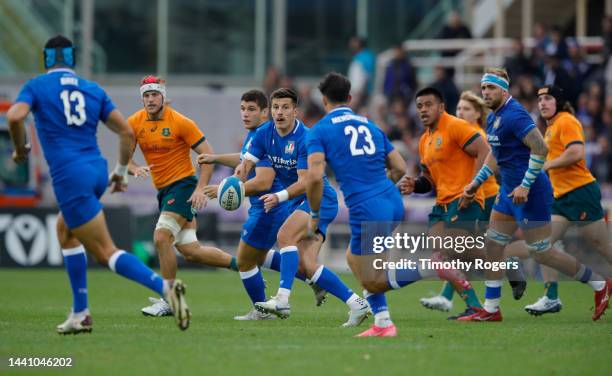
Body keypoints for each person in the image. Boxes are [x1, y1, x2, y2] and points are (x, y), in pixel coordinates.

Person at [6, 35, 190, 333]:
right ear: (73, 59)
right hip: (96, 171)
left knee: (106, 251)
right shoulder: (92, 89)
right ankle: (81, 313)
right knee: (65, 231)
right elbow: (126, 133)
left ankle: (166, 289)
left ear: (47, 59)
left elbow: (15, 116)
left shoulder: (37, 86)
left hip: (70, 175)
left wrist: (19, 148)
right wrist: (119, 171)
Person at [460, 68, 611, 322]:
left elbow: (540, 149)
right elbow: (496, 153)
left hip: (530, 192)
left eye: (491, 88)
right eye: (483, 88)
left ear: (504, 90)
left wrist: (526, 185)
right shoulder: (493, 117)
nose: (485, 92)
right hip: (509, 190)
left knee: (541, 251)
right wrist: (476, 183)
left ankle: (599, 284)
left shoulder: (516, 114)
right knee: (494, 244)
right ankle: (492, 308)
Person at [235, 88, 370, 326]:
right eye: (276, 107)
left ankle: (283, 300)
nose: (280, 112)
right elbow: (247, 163)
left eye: (286, 107)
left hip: (320, 198)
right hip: (298, 200)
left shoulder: (306, 138)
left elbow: (307, 181)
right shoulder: (264, 133)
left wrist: (278, 196)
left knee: (285, 235)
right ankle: (356, 303)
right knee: (305, 264)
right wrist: (237, 179)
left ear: (295, 111)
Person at [198, 89, 326, 320]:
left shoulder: (269, 134)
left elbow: (264, 180)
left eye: (252, 109)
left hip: (270, 205)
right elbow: (244, 161)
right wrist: (220, 163)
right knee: (259, 257)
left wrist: (228, 189)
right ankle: (310, 278)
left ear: (264, 113)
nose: (245, 114)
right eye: (242, 109)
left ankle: (264, 308)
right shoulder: (258, 136)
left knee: (246, 260)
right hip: (268, 204)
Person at [126, 76, 237, 317]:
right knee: (191, 251)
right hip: (164, 191)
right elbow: (124, 157)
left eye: (155, 94)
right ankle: (245, 266)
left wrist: (200, 188)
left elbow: (208, 155)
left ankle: (169, 298)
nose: (150, 99)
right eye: (146, 95)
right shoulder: (134, 122)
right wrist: (135, 168)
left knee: (161, 237)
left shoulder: (180, 122)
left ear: (163, 96)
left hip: (183, 186)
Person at [518, 85, 612, 315]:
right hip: (561, 197)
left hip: (580, 192)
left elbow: (577, 153)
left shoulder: (566, 120)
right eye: (540, 99)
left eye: (548, 99)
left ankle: (600, 285)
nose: (542, 103)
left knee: (602, 245)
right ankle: (551, 297)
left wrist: (547, 165)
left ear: (558, 102)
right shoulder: (550, 128)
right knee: (541, 246)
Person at [400, 87, 491, 320]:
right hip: (442, 204)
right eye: (419, 106)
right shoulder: (424, 140)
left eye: (428, 104)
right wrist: (416, 185)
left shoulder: (456, 126)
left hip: (464, 200)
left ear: (441, 107)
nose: (423, 110)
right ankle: (476, 306)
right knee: (440, 260)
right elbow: (429, 178)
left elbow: (485, 151)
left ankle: (503, 266)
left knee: (449, 254)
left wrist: (473, 186)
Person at [348, 37, 375, 112]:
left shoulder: (362, 58)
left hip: (361, 94)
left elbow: (360, 80)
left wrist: (356, 97)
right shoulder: (369, 55)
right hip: (367, 93)